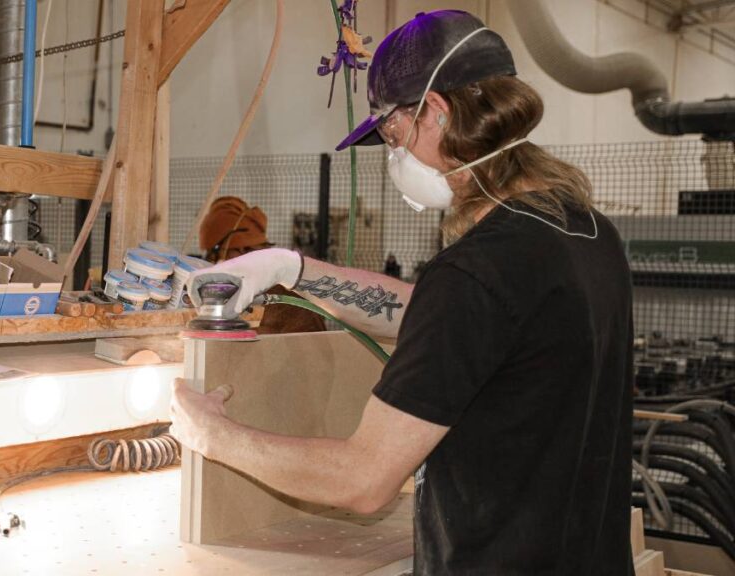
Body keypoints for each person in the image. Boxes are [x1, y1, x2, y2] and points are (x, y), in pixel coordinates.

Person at [170, 10, 634, 576]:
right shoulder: (583, 230)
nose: (394, 157)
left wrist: (212, 434)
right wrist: (290, 268)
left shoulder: (478, 271)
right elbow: (446, 321)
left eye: (392, 136)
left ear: (435, 113)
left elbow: (363, 481)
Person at [199, 195, 326, 334]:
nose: (216, 263)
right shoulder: (282, 277)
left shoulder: (271, 291)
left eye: (215, 254)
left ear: (239, 248)